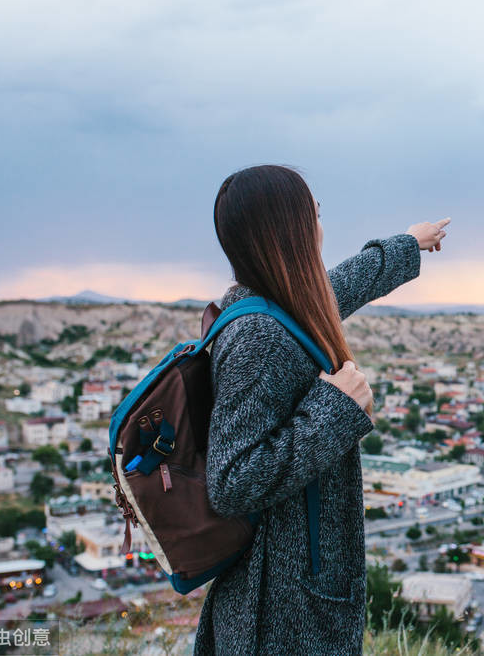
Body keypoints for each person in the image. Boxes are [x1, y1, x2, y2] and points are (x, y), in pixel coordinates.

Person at [193, 164, 449, 655]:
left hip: (289, 595)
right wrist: (334, 410)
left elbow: (338, 288)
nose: (320, 225)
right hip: (280, 613)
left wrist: (408, 244)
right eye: (314, 213)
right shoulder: (259, 336)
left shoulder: (276, 309)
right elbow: (231, 483)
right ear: (290, 229)